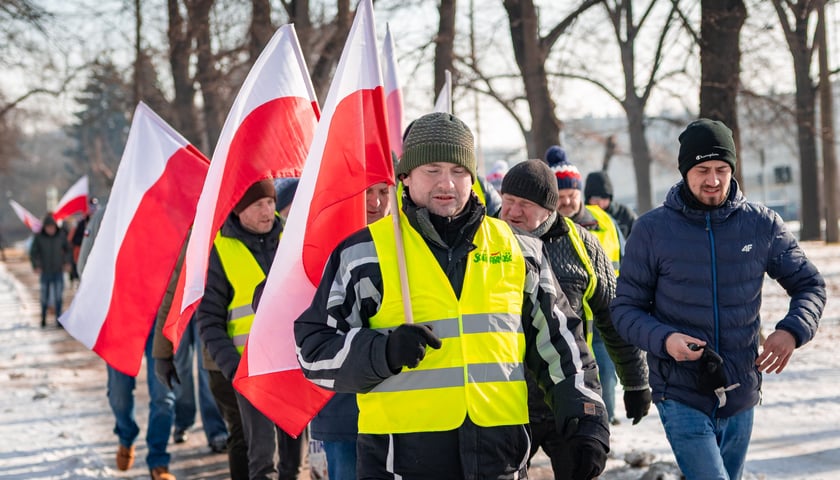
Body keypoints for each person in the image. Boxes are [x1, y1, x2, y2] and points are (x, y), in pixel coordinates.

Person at [295, 112, 610, 480]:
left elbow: (562, 346)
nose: (447, 182)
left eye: (459, 171)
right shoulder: (366, 253)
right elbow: (314, 351)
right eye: (432, 169)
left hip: (500, 460)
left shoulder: (519, 250)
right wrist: (382, 351)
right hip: (400, 463)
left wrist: (586, 420)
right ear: (406, 176)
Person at [610, 118, 827, 480]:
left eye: (722, 169)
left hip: (740, 388)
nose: (713, 180)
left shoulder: (762, 225)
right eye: (703, 169)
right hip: (679, 390)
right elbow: (625, 310)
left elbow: (810, 285)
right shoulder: (651, 231)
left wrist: (792, 331)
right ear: (685, 171)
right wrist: (666, 340)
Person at [499, 159, 651, 478]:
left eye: (524, 204)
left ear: (549, 208)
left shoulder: (582, 245)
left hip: (568, 397)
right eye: (508, 201)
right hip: (506, 402)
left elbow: (614, 317)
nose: (512, 212)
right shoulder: (488, 242)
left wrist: (636, 381)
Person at [196, 179, 307, 480]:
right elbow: (208, 320)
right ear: (239, 208)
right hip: (251, 371)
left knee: (293, 454)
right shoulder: (220, 250)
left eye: (270, 202)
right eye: (258, 204)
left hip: (293, 364)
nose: (267, 210)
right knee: (260, 457)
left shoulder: (293, 236)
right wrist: (234, 369)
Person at [78, 205, 178, 480]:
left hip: (159, 317)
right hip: (122, 318)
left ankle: (159, 460)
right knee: (119, 393)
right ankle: (126, 433)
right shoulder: (108, 211)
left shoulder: (168, 206)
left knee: (164, 394)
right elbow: (83, 264)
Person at [307, 181, 392, 480]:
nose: (377, 202)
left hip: (398, 413)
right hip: (341, 412)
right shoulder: (318, 243)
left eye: (384, 191)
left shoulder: (409, 244)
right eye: (368, 192)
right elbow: (272, 297)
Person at [544, 146, 624, 424]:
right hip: (566, 320)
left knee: (604, 372)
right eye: (561, 197)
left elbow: (623, 259)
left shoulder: (604, 221)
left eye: (572, 195)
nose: (567, 202)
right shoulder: (543, 226)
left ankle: (605, 421)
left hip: (602, 315)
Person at [151, 244, 230, 456]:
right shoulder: (166, 217)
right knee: (181, 368)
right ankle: (183, 420)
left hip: (208, 302)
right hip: (179, 303)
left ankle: (216, 431)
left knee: (208, 371)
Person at [29, 213, 72, 328]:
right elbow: (33, 253)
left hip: (58, 270)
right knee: (44, 296)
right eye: (48, 227)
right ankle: (43, 318)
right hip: (45, 271)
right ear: (45, 227)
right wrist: (36, 266)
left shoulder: (61, 236)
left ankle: (58, 319)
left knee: (58, 296)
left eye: (52, 227)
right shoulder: (39, 237)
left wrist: (67, 262)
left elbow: (68, 250)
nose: (51, 230)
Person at [584, 170, 637, 240]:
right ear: (588, 199)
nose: (600, 203)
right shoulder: (583, 218)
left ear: (610, 198)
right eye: (595, 199)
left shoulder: (624, 214)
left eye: (604, 198)